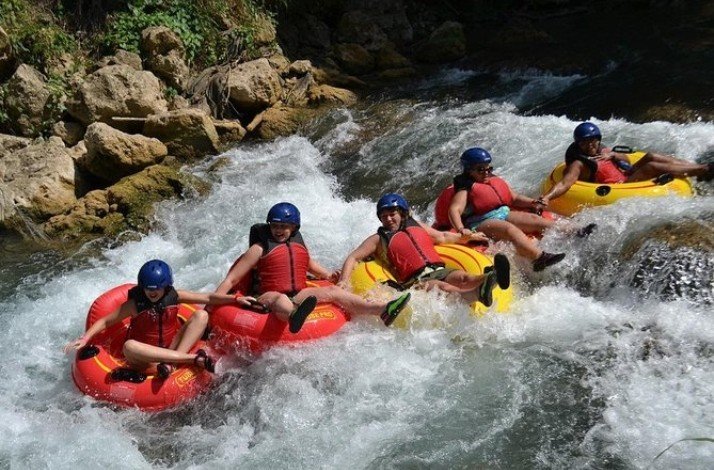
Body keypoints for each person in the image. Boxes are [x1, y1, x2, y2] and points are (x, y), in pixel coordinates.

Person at [214, 202, 412, 327]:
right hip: (267, 296)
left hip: (298, 294)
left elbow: (307, 263)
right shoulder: (259, 248)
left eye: (284, 226)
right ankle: (294, 316)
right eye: (275, 226)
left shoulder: (297, 244)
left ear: (294, 228)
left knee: (335, 292)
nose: (278, 231)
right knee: (279, 299)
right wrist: (215, 302)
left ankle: (381, 310)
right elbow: (232, 278)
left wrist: (327, 275)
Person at [64, 259, 249, 379]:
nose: (153, 293)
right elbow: (105, 321)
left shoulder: (174, 296)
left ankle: (171, 364)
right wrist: (86, 338)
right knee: (129, 346)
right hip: (144, 359)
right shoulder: (135, 305)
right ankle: (192, 359)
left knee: (202, 314)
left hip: (171, 348)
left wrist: (235, 298)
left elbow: (208, 298)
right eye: (148, 289)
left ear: (166, 287)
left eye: (157, 289)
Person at [339, 193, 510, 307]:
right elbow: (353, 257)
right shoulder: (378, 239)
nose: (388, 219)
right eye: (384, 217)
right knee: (441, 287)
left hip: (438, 269)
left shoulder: (416, 225)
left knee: (464, 277)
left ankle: (490, 277)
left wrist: (466, 237)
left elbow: (442, 237)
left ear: (402, 213)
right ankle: (477, 294)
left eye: (392, 214)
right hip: (415, 281)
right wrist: (343, 282)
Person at [443, 148, 582, 272]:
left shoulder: (492, 179)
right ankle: (539, 258)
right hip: (480, 221)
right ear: (469, 170)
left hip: (502, 213)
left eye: (488, 169)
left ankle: (575, 231)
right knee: (510, 229)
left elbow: (514, 198)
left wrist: (533, 203)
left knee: (535, 220)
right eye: (480, 169)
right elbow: (454, 210)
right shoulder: (465, 188)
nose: (486, 172)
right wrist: (461, 230)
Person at [539, 122, 714, 205]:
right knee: (651, 167)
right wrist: (546, 197)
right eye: (585, 142)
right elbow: (565, 183)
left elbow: (629, 160)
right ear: (579, 144)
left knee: (651, 156)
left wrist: (614, 155)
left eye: (594, 141)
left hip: (626, 174)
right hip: (621, 186)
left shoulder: (603, 150)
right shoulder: (579, 163)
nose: (591, 145)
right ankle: (704, 170)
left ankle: (691, 166)